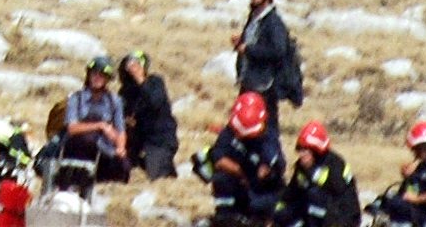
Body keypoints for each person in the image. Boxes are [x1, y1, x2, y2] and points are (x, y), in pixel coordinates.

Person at [232, 0, 304, 144]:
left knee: (266, 134)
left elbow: (277, 51)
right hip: (250, 84)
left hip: (265, 88)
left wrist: (247, 50)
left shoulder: (273, 22)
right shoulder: (255, 18)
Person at [193, 92, 284, 227]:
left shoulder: (268, 141)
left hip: (261, 193)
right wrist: (241, 173)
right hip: (238, 184)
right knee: (221, 178)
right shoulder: (229, 132)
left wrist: (263, 173)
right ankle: (226, 218)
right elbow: (218, 157)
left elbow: (275, 169)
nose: (239, 135)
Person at [44, 57, 128, 190]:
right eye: (94, 74)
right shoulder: (75, 98)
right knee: (86, 141)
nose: (97, 78)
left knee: (123, 166)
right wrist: (100, 126)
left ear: (107, 79)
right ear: (89, 75)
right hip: (77, 147)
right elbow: (72, 128)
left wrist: (120, 148)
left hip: (103, 149)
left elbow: (121, 130)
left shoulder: (115, 101)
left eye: (102, 75)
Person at [370, 121, 426, 227]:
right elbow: (417, 185)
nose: (414, 153)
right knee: (386, 202)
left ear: (425, 147)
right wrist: (409, 177)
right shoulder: (425, 164)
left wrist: (416, 199)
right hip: (421, 211)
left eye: (416, 149)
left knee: (394, 206)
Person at [282, 120, 358, 227]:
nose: (301, 154)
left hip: (342, 217)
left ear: (316, 151)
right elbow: (291, 193)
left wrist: (310, 172)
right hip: (314, 214)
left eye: (305, 150)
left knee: (313, 195)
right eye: (299, 149)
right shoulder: (301, 167)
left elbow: (338, 194)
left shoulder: (335, 165)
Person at [121, 49, 181, 179]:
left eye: (137, 65)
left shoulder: (155, 82)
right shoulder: (126, 91)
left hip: (159, 139)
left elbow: (155, 102)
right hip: (136, 139)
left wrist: (141, 80)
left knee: (157, 175)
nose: (133, 68)